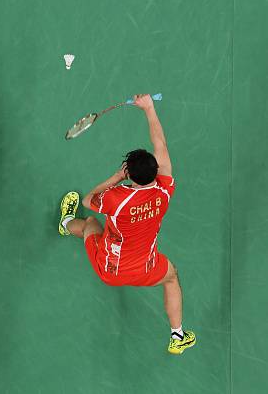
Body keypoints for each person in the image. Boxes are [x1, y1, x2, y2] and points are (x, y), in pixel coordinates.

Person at [57, 94, 195, 355]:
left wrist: (116, 177)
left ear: (129, 174)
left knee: (89, 224)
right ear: (155, 171)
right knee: (171, 276)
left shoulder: (117, 198)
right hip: (147, 267)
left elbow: (88, 200)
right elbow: (161, 144)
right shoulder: (165, 190)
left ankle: (65, 223)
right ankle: (177, 335)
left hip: (111, 268)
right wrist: (149, 108)